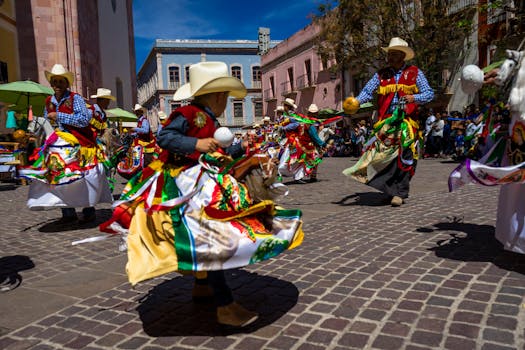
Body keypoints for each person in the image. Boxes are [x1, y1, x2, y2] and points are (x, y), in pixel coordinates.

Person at [100, 61, 304, 327]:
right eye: (226, 97)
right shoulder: (187, 113)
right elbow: (164, 138)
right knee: (214, 236)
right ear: (218, 95)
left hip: (199, 177)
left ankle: (202, 285)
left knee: (204, 234)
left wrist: (242, 148)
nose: (227, 102)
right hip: (184, 182)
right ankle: (225, 305)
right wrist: (195, 142)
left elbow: (214, 154)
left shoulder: (209, 118)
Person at [342, 37, 434, 206]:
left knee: (405, 157)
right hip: (386, 124)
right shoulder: (381, 75)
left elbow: (429, 93)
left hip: (407, 123)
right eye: (389, 54)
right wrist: (355, 103)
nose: (389, 57)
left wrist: (414, 97)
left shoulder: (415, 72)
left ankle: (400, 193)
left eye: (393, 54)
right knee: (384, 158)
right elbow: (367, 92)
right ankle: (389, 190)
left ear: (401, 55)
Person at [20, 64, 112, 223]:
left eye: (60, 81)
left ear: (66, 83)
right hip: (56, 142)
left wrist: (60, 116)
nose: (57, 84)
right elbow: (46, 121)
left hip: (79, 142)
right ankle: (67, 212)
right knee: (56, 176)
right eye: (54, 81)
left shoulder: (75, 98)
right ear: (51, 83)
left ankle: (88, 208)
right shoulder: (48, 101)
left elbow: (84, 119)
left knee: (83, 176)